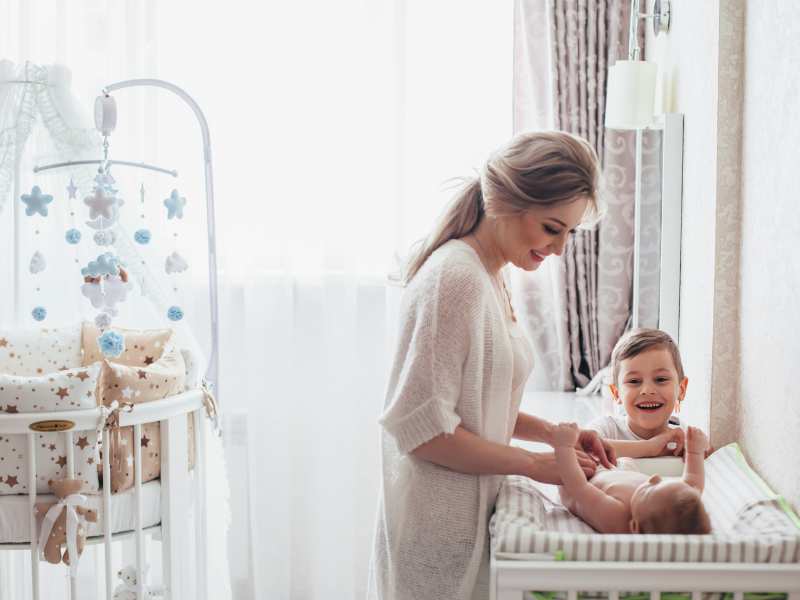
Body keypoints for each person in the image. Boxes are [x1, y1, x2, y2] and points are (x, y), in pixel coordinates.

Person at [368, 131, 617, 600]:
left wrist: (553, 435)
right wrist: (537, 465)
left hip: (466, 524)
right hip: (435, 536)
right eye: (552, 228)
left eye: (570, 233)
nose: (561, 249)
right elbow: (423, 431)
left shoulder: (490, 275)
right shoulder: (455, 279)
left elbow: (474, 403)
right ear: (507, 201)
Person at [551, 421, 711, 534]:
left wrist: (564, 448)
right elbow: (692, 482)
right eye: (660, 482)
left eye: (652, 488)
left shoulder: (616, 516)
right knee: (622, 460)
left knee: (578, 454)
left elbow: (579, 488)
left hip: (584, 476)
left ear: (634, 527)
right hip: (617, 472)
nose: (655, 478)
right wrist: (694, 452)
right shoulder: (655, 506)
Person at [587, 328, 712, 459]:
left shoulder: (684, 438)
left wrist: (701, 450)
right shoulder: (608, 428)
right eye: (634, 381)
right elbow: (580, 448)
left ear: (681, 389)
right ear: (616, 393)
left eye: (661, 379)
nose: (647, 390)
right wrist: (650, 447)